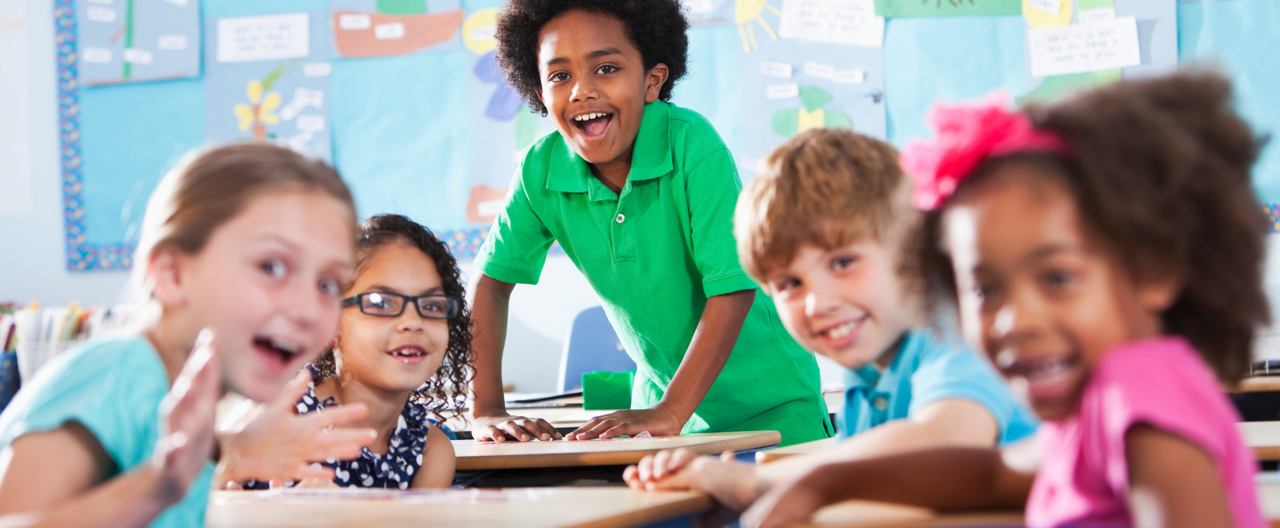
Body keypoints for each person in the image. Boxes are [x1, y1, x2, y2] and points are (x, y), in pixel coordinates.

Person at [740, 73, 1269, 528]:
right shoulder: (1094, 403)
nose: (1014, 319)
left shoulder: (1144, 404)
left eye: (1058, 278)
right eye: (984, 289)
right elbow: (991, 474)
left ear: (1153, 272)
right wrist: (829, 479)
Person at [470, 0, 829, 446]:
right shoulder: (539, 171)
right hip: (662, 416)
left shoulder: (693, 147)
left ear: (652, 81)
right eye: (560, 75)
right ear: (541, 93)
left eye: (605, 68)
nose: (582, 90)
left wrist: (671, 410)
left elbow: (732, 288)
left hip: (770, 408)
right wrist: (485, 410)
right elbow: (490, 284)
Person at [623, 128, 1036, 510]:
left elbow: (945, 440)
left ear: (917, 251)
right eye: (789, 283)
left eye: (843, 262)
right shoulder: (870, 372)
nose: (817, 304)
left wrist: (757, 481)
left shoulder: (958, 338)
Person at [0, 144, 373, 527]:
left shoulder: (187, 415)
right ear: (172, 273)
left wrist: (224, 452)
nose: (308, 309)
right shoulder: (121, 370)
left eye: (328, 284)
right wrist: (159, 485)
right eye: (272, 266)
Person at [236, 214, 471, 489]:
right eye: (381, 303)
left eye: (432, 305)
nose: (413, 322)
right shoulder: (274, 418)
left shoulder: (430, 451)